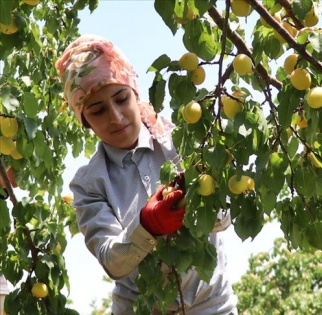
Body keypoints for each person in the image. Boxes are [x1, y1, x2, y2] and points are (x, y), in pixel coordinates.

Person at [55, 35, 237, 315]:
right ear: (85, 121)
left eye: (121, 98)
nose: (115, 116)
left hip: (212, 306)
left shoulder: (182, 139)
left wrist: (200, 204)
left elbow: (225, 216)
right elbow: (111, 261)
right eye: (98, 110)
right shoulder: (89, 184)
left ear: (134, 92)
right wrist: (147, 225)